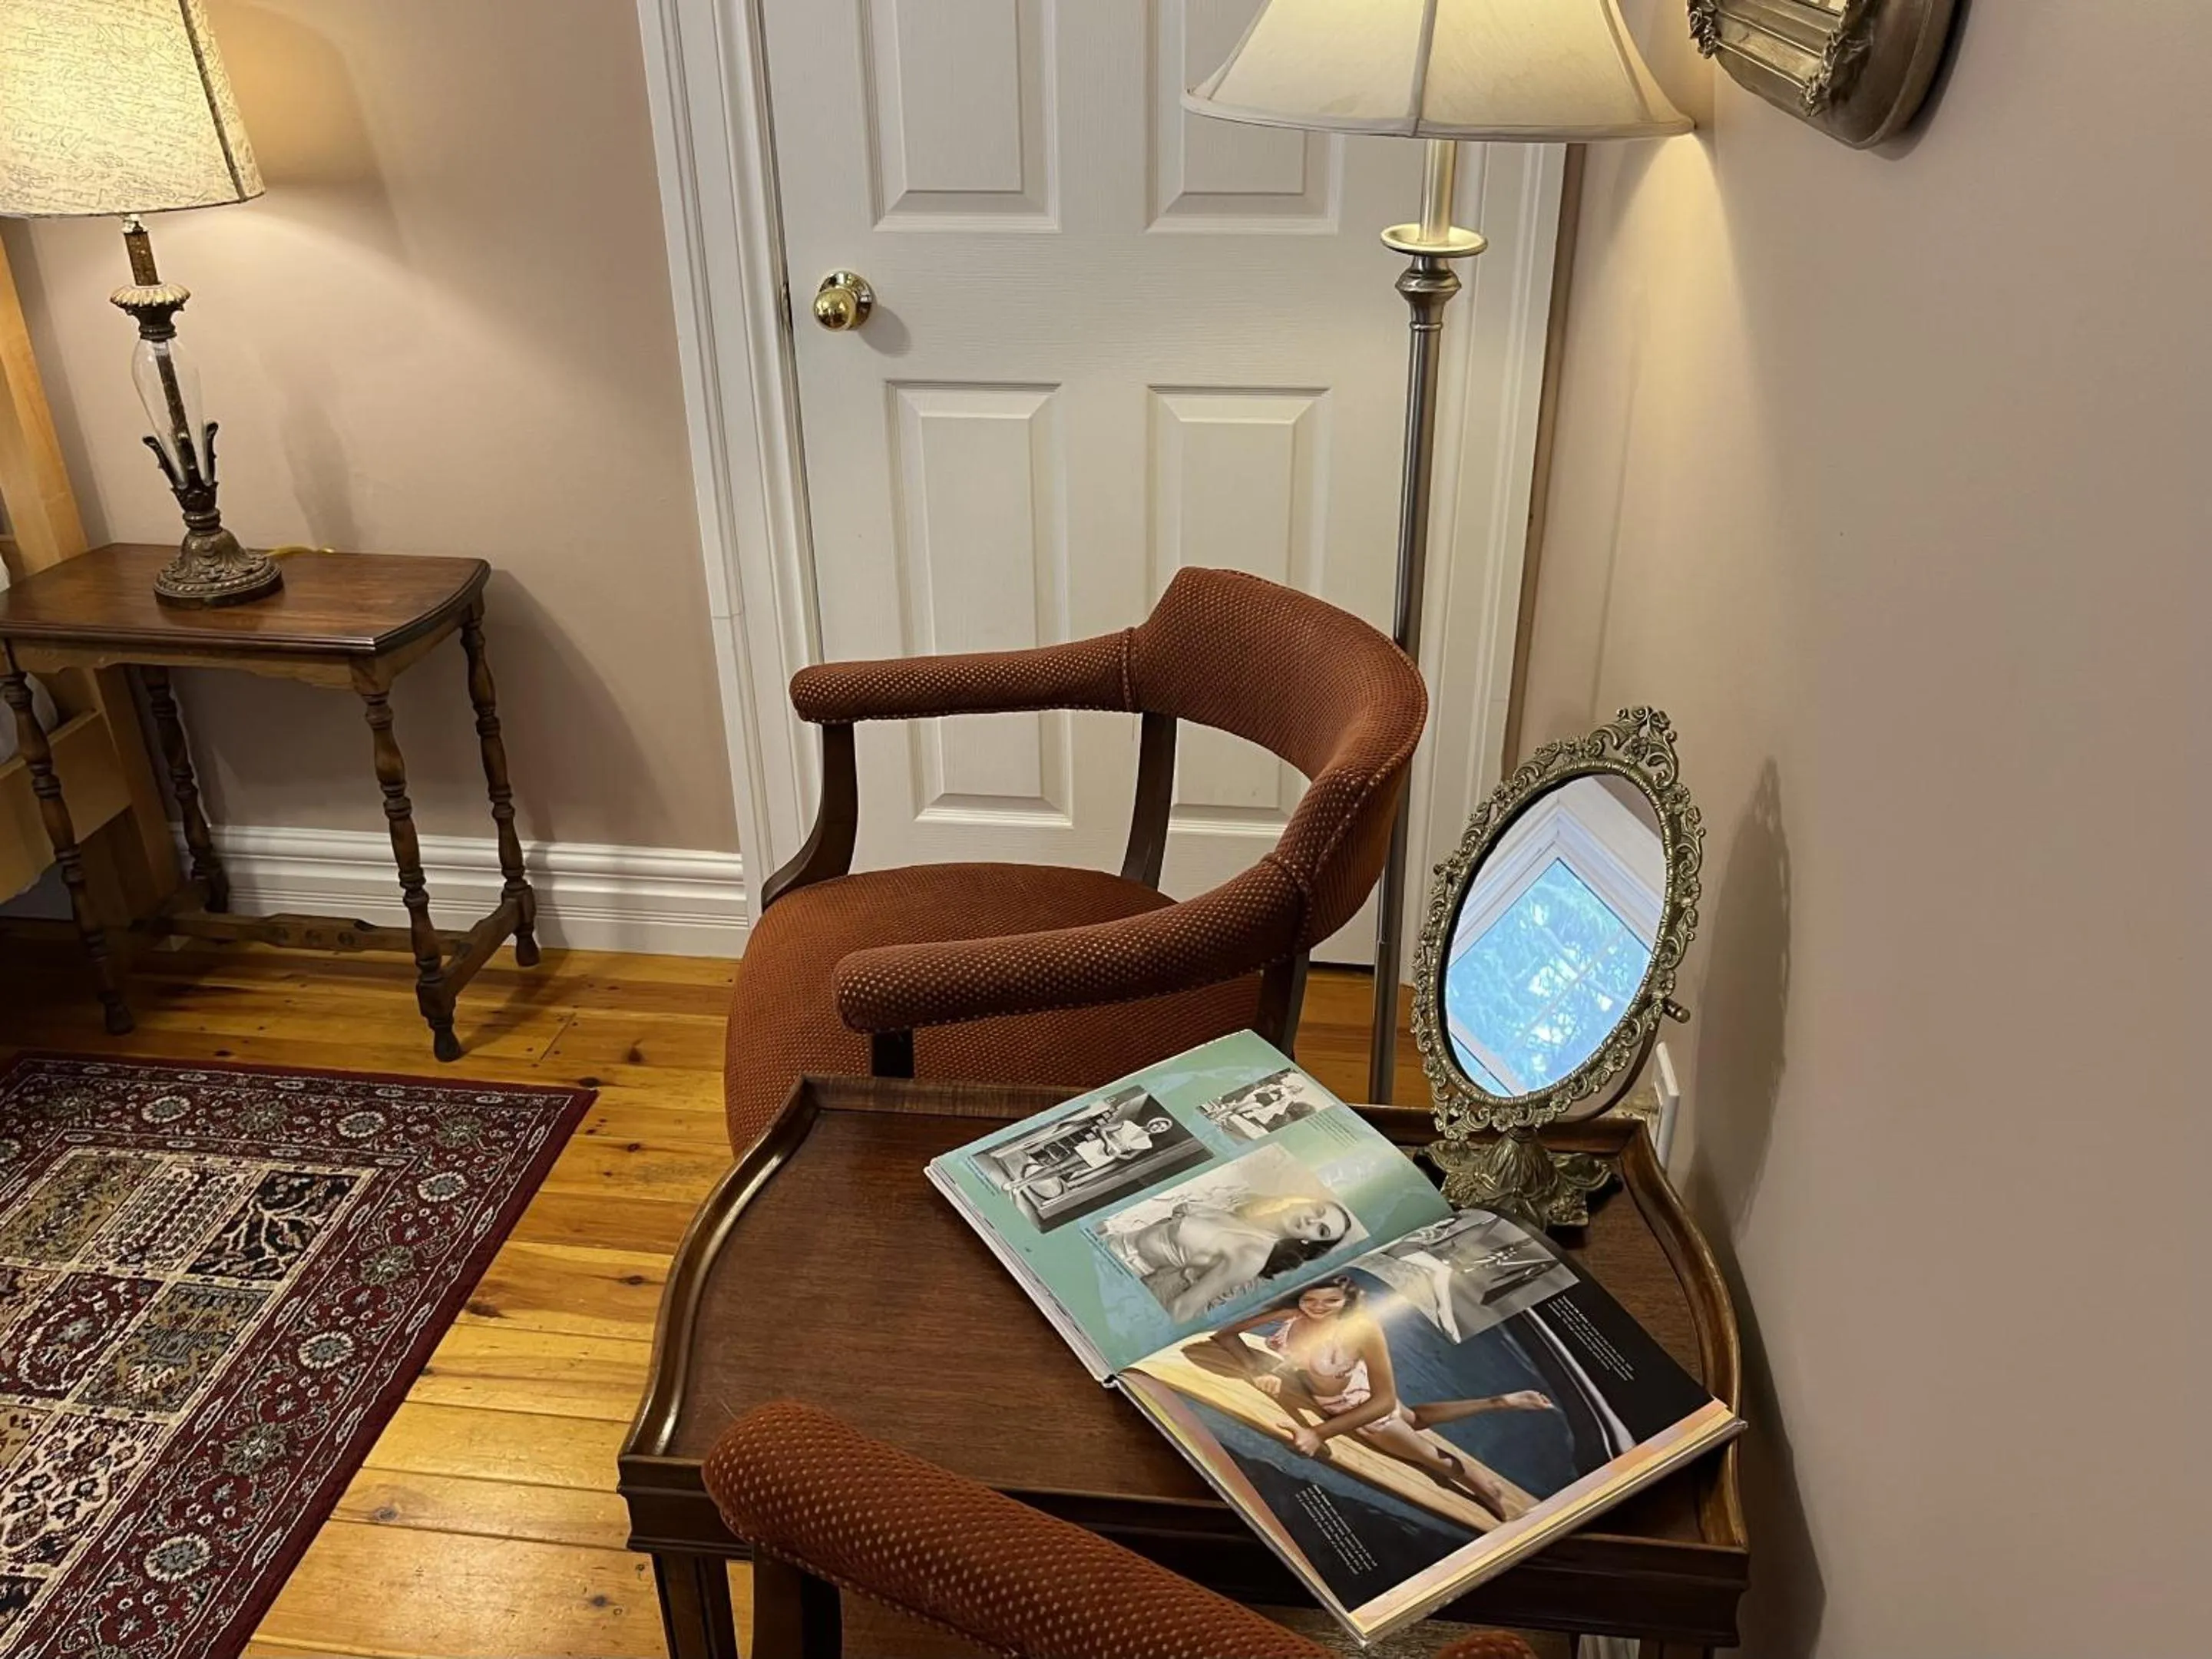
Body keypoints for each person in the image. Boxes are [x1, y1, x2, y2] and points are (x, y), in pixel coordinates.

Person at [1209, 1277, 1556, 1520]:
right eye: (1310, 1300)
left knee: (1434, 1461)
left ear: (1347, 1303)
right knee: (1416, 1421)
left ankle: (1486, 1488)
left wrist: (1318, 1434)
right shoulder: (1294, 1314)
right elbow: (1226, 1335)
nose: (1318, 1308)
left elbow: (1382, 1402)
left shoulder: (1363, 1332)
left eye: (1331, 1301)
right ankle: (1498, 1402)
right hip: (1349, 1387)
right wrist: (1256, 1369)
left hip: (1369, 1415)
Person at [1111, 1194, 1351, 1321]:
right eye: (1317, 1211)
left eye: (1321, 1230)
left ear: (1309, 1241)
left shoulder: (1253, 1254)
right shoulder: (1243, 1216)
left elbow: (1183, 1307)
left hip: (1120, 1271)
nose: (1311, 1220)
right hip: (1112, 1243)